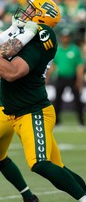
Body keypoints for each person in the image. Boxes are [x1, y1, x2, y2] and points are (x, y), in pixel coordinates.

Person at [0, 0, 86, 202]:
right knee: (58, 169)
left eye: (31, 9)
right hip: (15, 110)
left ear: (41, 18)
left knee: (40, 163)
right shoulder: (27, 32)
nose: (25, 11)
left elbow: (12, 72)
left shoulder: (44, 35)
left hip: (32, 110)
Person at [0, 17, 39, 202]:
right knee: (0, 159)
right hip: (7, 110)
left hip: (2, 110)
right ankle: (28, 197)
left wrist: (24, 32)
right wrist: (16, 30)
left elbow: (4, 46)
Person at [47, 28, 86, 127]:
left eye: (67, 37)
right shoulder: (58, 49)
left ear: (70, 38)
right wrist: (47, 78)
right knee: (57, 101)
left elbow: (80, 66)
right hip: (60, 78)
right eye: (64, 37)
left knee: (77, 100)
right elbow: (53, 65)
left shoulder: (75, 49)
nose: (65, 39)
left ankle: (81, 121)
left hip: (72, 78)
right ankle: (57, 121)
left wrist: (79, 80)